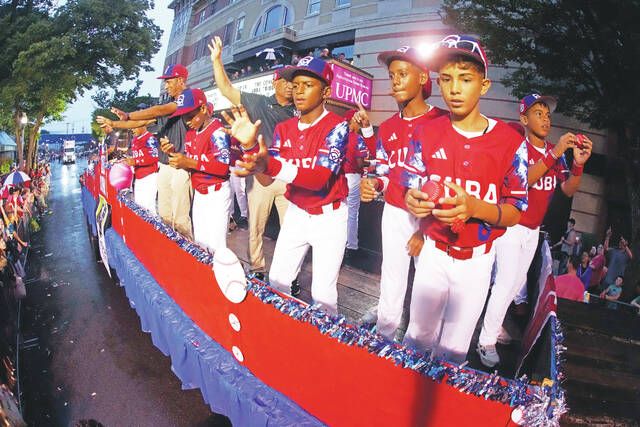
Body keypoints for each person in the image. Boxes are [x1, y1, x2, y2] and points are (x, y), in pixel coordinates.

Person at [401, 35, 529, 363]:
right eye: (446, 79)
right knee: (417, 337)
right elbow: (410, 186)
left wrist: (475, 208)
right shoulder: (426, 132)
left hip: (477, 259)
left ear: (484, 85)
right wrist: (414, 201)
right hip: (434, 253)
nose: (454, 89)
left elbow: (515, 211)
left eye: (465, 79)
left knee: (454, 350)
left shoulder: (510, 142)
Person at [477, 93, 592, 367]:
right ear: (524, 119)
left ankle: (492, 326)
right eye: (538, 113)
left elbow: (567, 189)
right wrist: (554, 154)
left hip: (532, 229)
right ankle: (485, 341)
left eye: (548, 114)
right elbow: (523, 180)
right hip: (510, 224)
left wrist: (578, 163)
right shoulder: (518, 146)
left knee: (516, 285)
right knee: (505, 283)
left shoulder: (554, 151)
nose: (545, 119)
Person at [229, 56, 349, 314]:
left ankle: (323, 349)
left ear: (326, 91)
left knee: (323, 295)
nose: (299, 91)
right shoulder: (284, 128)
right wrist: (250, 147)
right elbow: (266, 178)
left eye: (307, 84)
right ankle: (282, 338)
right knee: (278, 280)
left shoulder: (337, 126)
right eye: (295, 85)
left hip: (329, 216)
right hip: (297, 213)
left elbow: (319, 179)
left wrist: (269, 165)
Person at [359, 46, 447, 340]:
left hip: (430, 216)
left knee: (427, 286)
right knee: (392, 278)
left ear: (423, 77)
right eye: (392, 75)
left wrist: (424, 229)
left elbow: (446, 179)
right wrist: (374, 184)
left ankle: (420, 352)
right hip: (395, 211)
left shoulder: (443, 122)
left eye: (403, 74)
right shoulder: (387, 127)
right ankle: (384, 337)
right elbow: (383, 170)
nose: (394, 81)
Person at [208, 36, 296, 285]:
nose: (290, 86)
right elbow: (226, 89)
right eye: (286, 81)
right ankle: (257, 269)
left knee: (292, 232)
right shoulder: (258, 102)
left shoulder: (299, 109)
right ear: (275, 81)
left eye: (294, 82)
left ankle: (289, 275)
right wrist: (217, 61)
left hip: (288, 175)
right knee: (255, 228)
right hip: (259, 175)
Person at [98, 64, 193, 239]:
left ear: (181, 80)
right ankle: (171, 252)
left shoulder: (188, 97)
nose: (166, 86)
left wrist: (129, 114)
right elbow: (140, 122)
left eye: (169, 81)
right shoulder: (166, 102)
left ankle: (193, 259)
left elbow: (159, 111)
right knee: (164, 215)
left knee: (180, 219)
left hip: (182, 164)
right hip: (165, 165)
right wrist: (114, 124)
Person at [161, 88, 231, 253]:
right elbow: (190, 160)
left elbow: (222, 167)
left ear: (204, 109)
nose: (187, 121)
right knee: (200, 243)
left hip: (216, 193)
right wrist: (173, 153)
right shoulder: (191, 133)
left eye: (190, 115)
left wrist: (188, 162)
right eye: (183, 116)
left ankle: (217, 278)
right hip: (199, 194)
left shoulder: (218, 131)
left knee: (216, 248)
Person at [342, 109, 369, 257]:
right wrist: (367, 163)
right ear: (353, 122)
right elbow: (359, 163)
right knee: (352, 213)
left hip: (339, 177)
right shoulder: (357, 138)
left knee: (339, 211)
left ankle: (340, 242)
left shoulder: (338, 136)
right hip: (352, 178)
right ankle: (351, 245)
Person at [124, 125, 159, 214]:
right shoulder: (134, 139)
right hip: (138, 176)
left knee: (149, 207)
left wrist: (136, 161)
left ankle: (152, 227)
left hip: (149, 176)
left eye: (134, 127)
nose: (132, 129)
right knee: (139, 205)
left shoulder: (150, 138)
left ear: (143, 126)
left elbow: (154, 157)